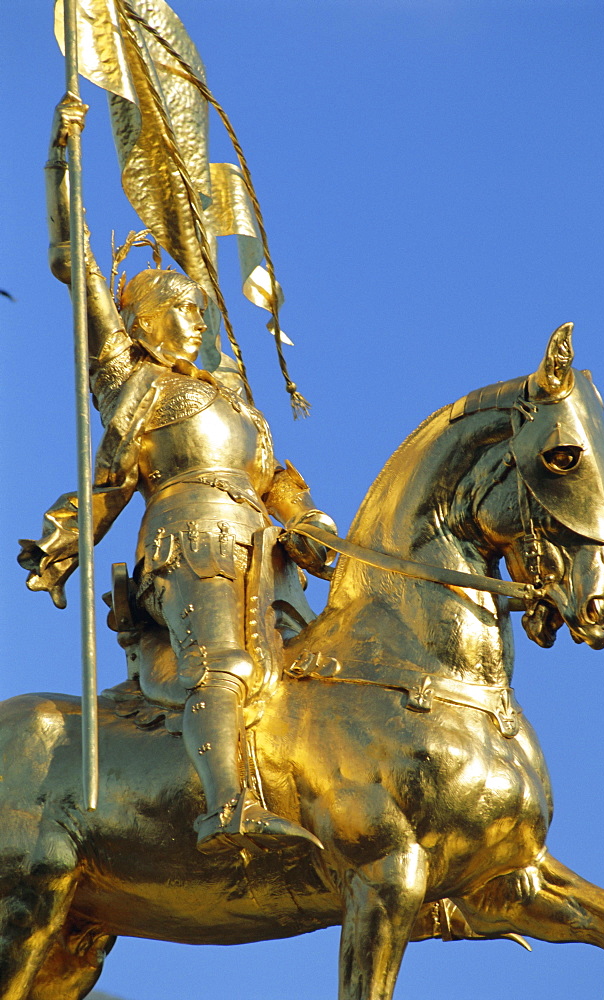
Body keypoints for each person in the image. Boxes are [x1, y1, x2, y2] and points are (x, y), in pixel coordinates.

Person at [18, 95, 336, 855]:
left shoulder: (233, 397)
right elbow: (78, 266)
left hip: (267, 555)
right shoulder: (131, 382)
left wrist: (311, 521)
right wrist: (63, 164)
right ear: (138, 323)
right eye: (174, 305)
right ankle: (227, 810)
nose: (192, 316)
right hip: (190, 545)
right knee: (220, 665)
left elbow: (277, 480)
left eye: (197, 307)